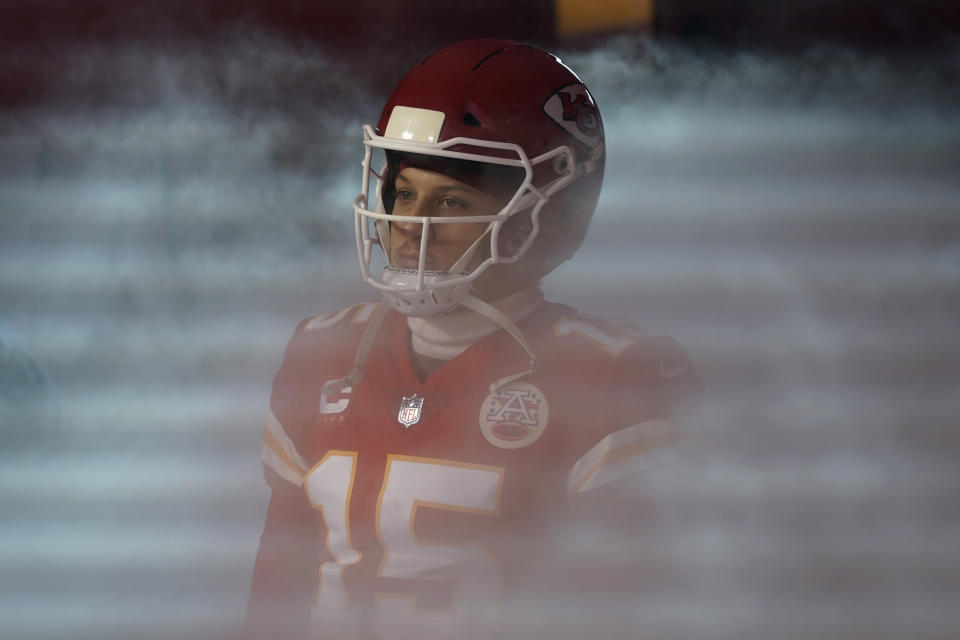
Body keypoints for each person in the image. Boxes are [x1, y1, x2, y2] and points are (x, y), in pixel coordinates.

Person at [245, 39, 702, 640]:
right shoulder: (322, 351)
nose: (410, 226)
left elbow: (638, 607)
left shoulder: (611, 373)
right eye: (404, 193)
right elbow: (280, 586)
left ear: (552, 211)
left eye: (452, 201)